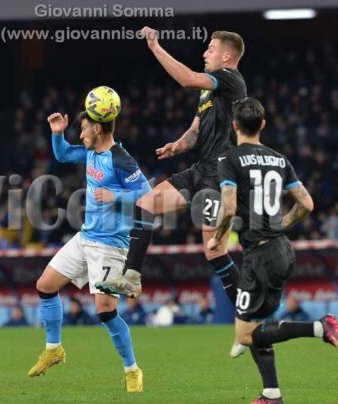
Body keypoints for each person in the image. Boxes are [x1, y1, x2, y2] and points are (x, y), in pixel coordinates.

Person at [208, 98, 338, 404]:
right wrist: (282, 225)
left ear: (234, 127)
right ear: (262, 125)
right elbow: (307, 204)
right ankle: (272, 395)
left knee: (246, 335)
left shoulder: (228, 159)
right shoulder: (279, 159)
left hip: (259, 257)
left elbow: (229, 206)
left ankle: (319, 327)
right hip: (283, 251)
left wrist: (217, 237)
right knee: (260, 327)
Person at [96, 27, 247, 310]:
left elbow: (186, 78)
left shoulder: (231, 80)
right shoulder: (209, 90)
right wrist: (178, 145)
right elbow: (196, 128)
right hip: (201, 169)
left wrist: (155, 46)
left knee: (214, 251)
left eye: (211, 49)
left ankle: (247, 315)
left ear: (227, 56)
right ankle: (131, 277)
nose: (205, 53)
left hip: (220, 177)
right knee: (145, 203)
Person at [27, 109, 150, 393]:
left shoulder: (121, 159)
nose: (80, 134)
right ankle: (54, 349)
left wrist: (114, 196)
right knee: (45, 285)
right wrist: (57, 133)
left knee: (105, 312)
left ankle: (132, 369)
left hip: (110, 245)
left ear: (97, 128)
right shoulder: (90, 152)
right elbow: (62, 155)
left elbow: (148, 196)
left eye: (83, 129)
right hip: (86, 238)